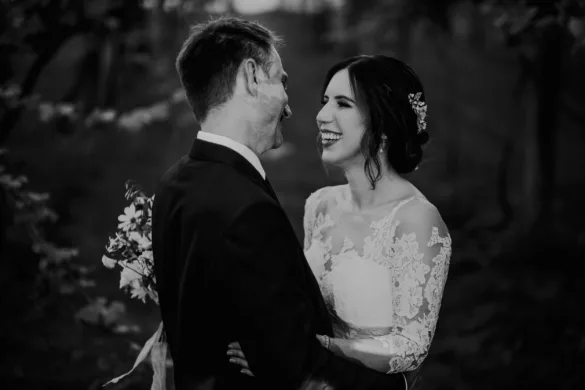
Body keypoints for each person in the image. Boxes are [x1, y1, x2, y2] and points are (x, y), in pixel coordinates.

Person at [152, 17, 408, 390]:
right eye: (281, 81)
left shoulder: (174, 183)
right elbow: (292, 361)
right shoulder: (244, 207)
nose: (289, 106)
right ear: (252, 77)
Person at [226, 55, 452, 389]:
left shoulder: (417, 220)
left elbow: (411, 349)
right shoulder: (320, 204)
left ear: (384, 123)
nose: (322, 116)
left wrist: (310, 351)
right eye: (325, 101)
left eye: (343, 104)